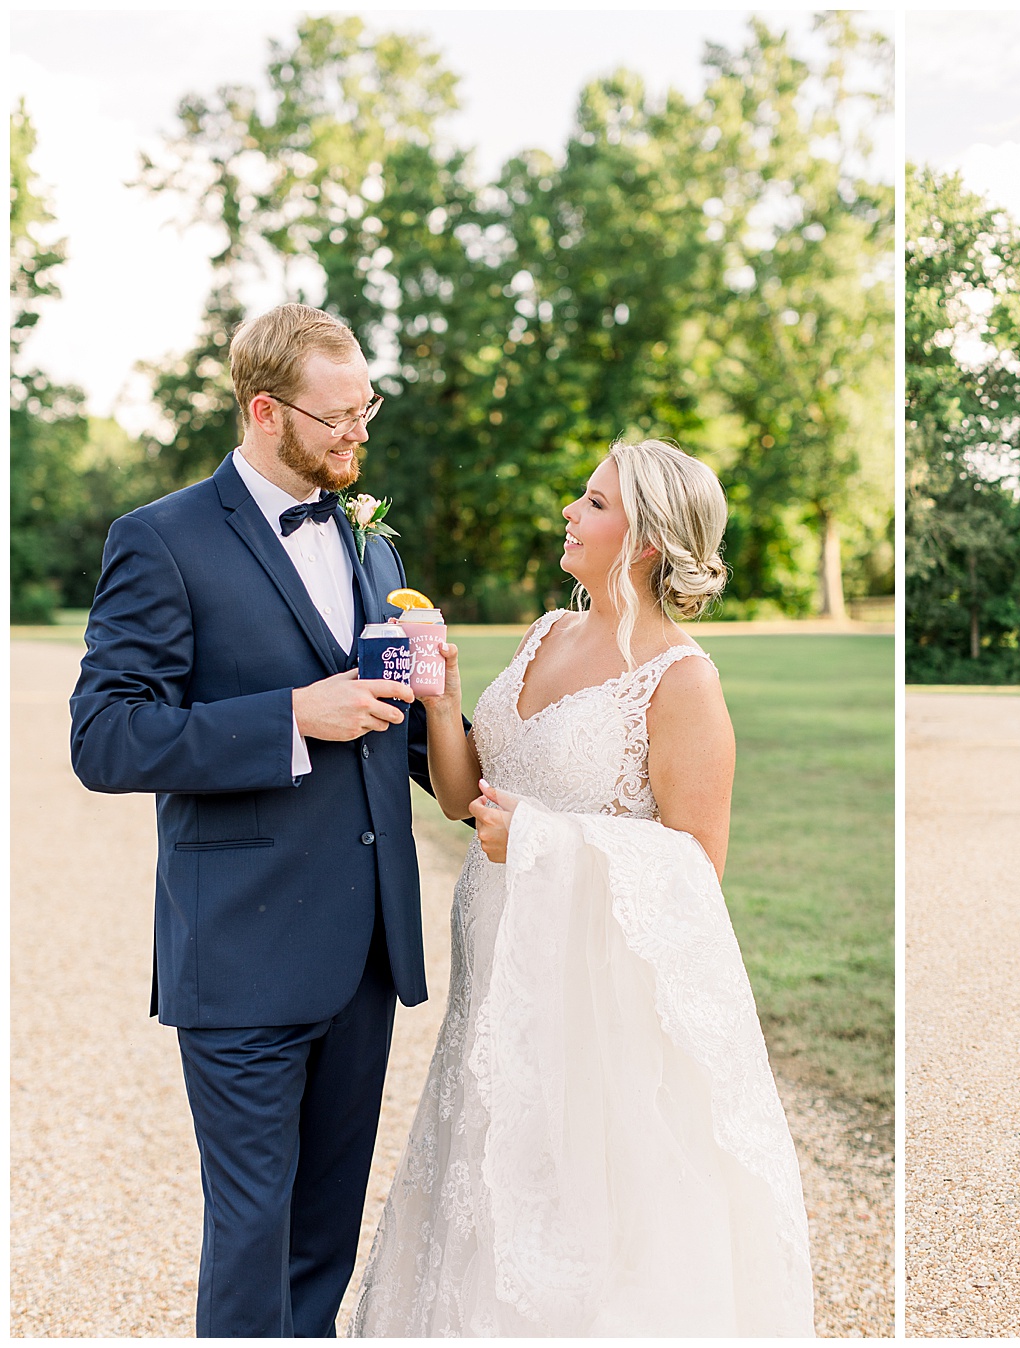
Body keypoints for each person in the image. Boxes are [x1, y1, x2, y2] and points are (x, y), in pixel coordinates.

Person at [349, 439, 814, 1336]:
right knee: (484, 1159)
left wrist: (543, 842)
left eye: (593, 502)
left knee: (574, 1194)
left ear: (643, 537)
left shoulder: (681, 680)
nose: (570, 510)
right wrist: (444, 704)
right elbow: (460, 797)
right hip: (496, 963)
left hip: (592, 990)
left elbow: (696, 866)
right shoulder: (544, 634)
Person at [69, 304, 442, 1336]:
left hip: (363, 954)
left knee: (325, 1241)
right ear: (265, 409)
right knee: (250, 1238)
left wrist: (449, 710)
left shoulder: (376, 544)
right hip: (240, 950)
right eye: (338, 419)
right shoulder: (159, 540)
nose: (359, 435)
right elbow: (104, 737)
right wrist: (289, 716)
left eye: (367, 409)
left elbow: (399, 734)